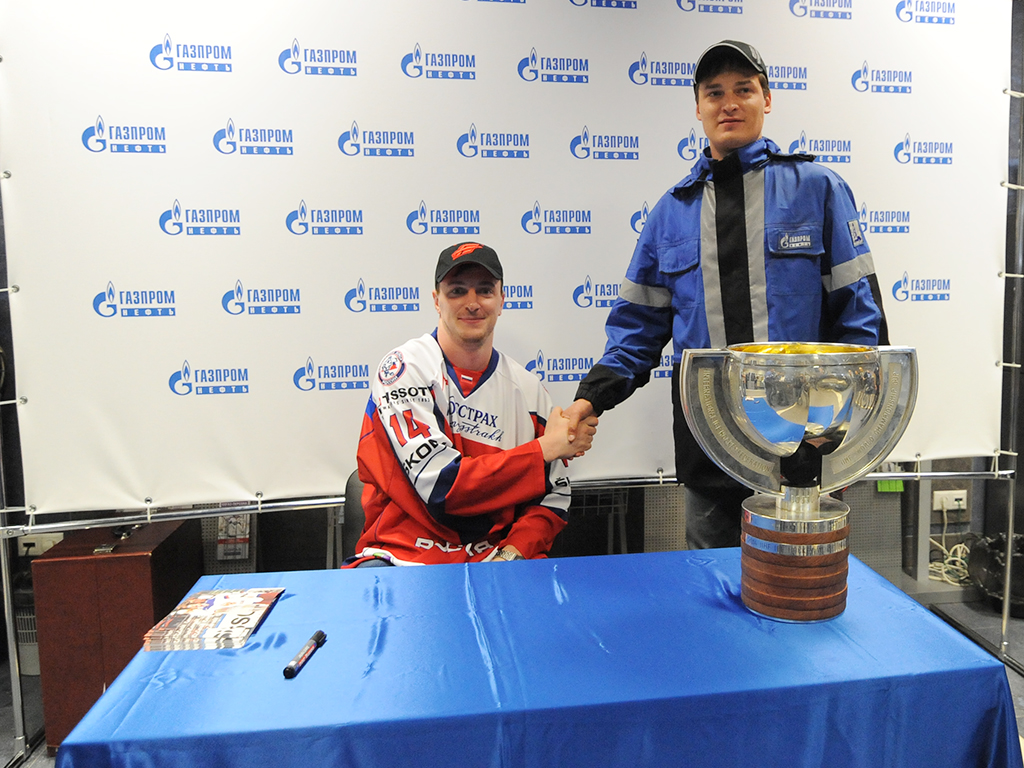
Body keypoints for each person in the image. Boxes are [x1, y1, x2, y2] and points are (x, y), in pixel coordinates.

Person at [564, 40, 888, 549]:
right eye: (714, 92)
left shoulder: (818, 188)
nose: (729, 103)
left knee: (797, 590)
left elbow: (861, 319)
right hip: (709, 444)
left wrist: (844, 428)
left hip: (805, 443)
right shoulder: (671, 212)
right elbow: (638, 330)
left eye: (744, 89)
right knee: (711, 592)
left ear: (768, 99)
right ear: (698, 107)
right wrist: (592, 397)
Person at [347, 242, 599, 567]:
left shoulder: (529, 390)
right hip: (403, 559)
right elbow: (443, 487)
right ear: (436, 301)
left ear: (502, 300)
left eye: (484, 290)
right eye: (457, 291)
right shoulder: (404, 370)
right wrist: (544, 450)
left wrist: (513, 552)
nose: (472, 304)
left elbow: (554, 495)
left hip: (495, 562)